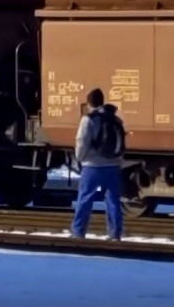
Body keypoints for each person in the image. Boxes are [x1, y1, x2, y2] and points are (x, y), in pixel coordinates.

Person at [70, 88, 126, 241]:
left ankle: (78, 232)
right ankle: (115, 233)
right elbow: (121, 142)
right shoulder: (115, 119)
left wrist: (80, 158)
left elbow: (82, 141)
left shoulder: (88, 119)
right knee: (113, 200)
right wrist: (118, 161)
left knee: (85, 198)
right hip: (112, 166)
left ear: (89, 103)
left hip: (92, 166)